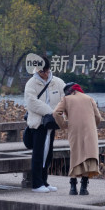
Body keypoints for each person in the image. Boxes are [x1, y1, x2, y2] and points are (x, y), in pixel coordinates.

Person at [24, 55, 65, 193]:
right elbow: (31, 102)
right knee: (38, 154)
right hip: (38, 123)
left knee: (48, 154)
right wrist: (51, 112)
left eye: (47, 71)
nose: (46, 74)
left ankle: (44, 181)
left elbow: (65, 98)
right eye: (43, 71)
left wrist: (59, 115)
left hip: (51, 124)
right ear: (37, 70)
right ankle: (36, 184)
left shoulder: (57, 82)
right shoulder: (31, 83)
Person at [53, 82, 102, 195]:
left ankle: (73, 188)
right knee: (88, 157)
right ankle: (84, 188)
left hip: (75, 129)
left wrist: (63, 125)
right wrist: (92, 126)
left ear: (69, 91)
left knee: (75, 155)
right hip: (90, 131)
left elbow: (56, 113)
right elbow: (98, 117)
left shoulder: (66, 99)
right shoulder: (89, 98)